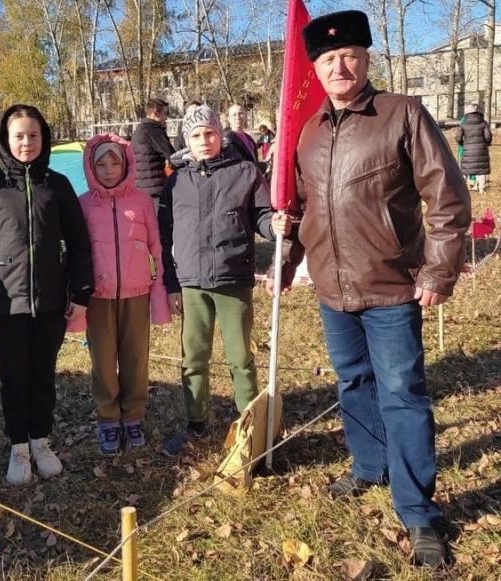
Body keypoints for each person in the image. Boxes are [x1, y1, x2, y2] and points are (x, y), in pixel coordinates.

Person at [271, 10, 471, 567]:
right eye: (328, 58)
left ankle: (417, 511)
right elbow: (303, 207)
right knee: (352, 381)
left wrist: (437, 271)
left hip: (391, 286)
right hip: (332, 288)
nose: (339, 65)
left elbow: (448, 197)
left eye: (349, 55)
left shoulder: (401, 113)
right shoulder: (308, 131)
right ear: (316, 67)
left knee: (402, 393)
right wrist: (286, 262)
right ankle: (368, 465)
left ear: (366, 59)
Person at [0, 104, 94, 485]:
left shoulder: (58, 185)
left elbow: (80, 242)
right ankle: (18, 447)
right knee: (14, 377)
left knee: (43, 376)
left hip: (51, 300)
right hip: (6, 303)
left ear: (43, 137)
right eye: (18, 135)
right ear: (5, 138)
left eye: (33, 135)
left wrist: (80, 292)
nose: (26, 142)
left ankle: (41, 440)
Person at [159, 105, 291, 457]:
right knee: (194, 357)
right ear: (187, 140)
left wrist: (271, 226)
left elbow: (261, 215)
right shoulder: (176, 181)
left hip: (233, 279)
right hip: (191, 283)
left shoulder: (245, 172)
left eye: (210, 133)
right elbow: (165, 233)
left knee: (240, 356)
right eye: (197, 136)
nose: (205, 141)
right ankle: (196, 424)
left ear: (221, 135)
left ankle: (249, 424)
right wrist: (171, 284)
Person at [70, 134, 172, 455]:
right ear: (91, 167)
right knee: (102, 359)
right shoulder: (83, 204)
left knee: (135, 359)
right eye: (101, 163)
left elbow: (156, 248)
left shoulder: (141, 201)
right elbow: (75, 253)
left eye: (115, 161)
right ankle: (108, 418)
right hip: (98, 297)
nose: (109, 169)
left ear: (126, 163)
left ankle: (133, 415)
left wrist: (159, 296)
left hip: (137, 294)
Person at [131, 98, 176, 208]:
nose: (166, 118)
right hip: (155, 190)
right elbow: (173, 157)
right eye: (165, 114)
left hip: (139, 188)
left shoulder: (139, 130)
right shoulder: (154, 130)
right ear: (156, 113)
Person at [455, 103, 492, 194]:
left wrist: (463, 144)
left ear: (466, 113)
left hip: (467, 149)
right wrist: (486, 144)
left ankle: (462, 189)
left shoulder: (463, 124)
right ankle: (481, 189)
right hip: (481, 149)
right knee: (481, 170)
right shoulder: (483, 122)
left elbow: (458, 137)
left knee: (465, 170)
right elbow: (488, 136)